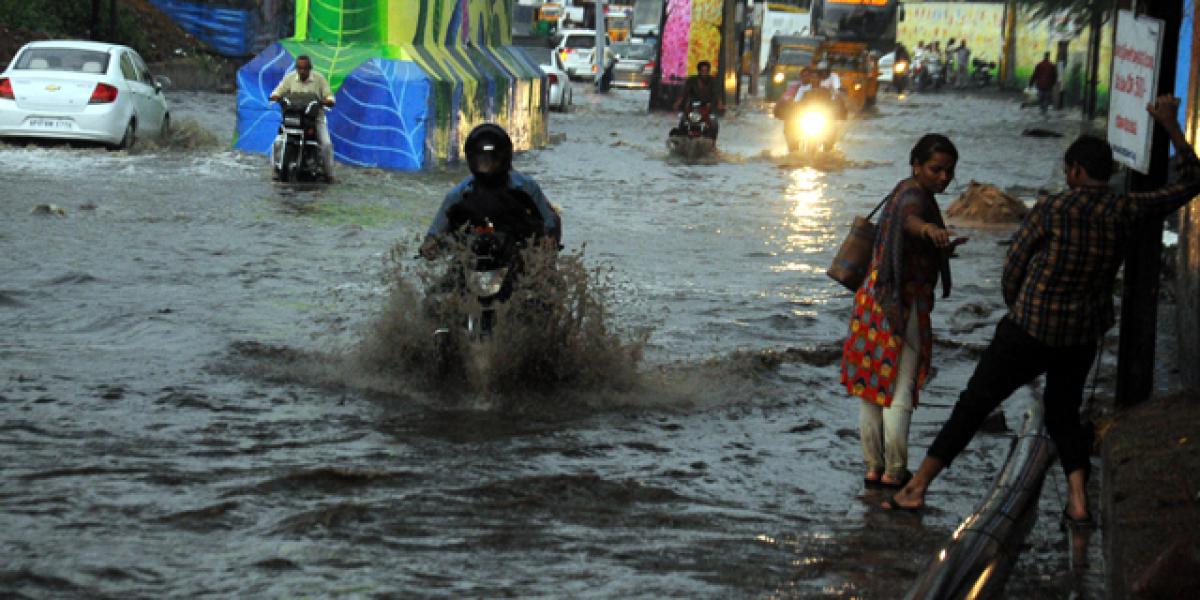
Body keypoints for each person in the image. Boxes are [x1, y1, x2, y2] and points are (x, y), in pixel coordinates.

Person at [882, 96, 1200, 526]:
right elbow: (1190, 183)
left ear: (1074, 172)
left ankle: (916, 487)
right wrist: (1171, 127)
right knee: (1064, 414)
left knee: (973, 405)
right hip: (1080, 336)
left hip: (1027, 329)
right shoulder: (1126, 209)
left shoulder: (1052, 208)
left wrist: (1019, 307)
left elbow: (1014, 265)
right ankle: (1079, 502)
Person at [842, 134, 965, 488]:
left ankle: (872, 467)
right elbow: (913, 222)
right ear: (916, 166)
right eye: (935, 169)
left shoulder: (901, 189)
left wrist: (936, 241)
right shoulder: (914, 197)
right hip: (900, 304)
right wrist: (930, 230)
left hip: (871, 299)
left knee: (870, 387)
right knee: (900, 389)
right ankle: (895, 471)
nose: (943, 177)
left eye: (949, 172)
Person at [420, 124, 561, 259]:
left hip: (517, 251)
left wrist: (548, 242)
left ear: (504, 158)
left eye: (493, 160)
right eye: (482, 161)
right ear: (471, 160)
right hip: (472, 252)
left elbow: (551, 221)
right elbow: (434, 235)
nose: (487, 166)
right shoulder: (458, 195)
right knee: (451, 276)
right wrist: (430, 247)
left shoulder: (526, 187)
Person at [269, 55, 336, 182]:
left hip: (314, 120)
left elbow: (330, 96)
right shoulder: (289, 78)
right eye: (299, 68)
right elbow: (277, 91)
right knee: (277, 143)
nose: (302, 71)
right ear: (296, 68)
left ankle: (330, 175)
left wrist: (326, 101)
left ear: (310, 68)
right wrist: (276, 97)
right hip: (293, 120)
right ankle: (275, 171)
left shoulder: (319, 79)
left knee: (326, 145)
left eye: (305, 68)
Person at [673, 60, 723, 139]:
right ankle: (682, 138)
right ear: (699, 71)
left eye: (706, 71)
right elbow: (684, 93)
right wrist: (678, 102)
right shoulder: (691, 80)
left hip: (708, 106)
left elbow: (717, 93)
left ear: (708, 71)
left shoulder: (713, 81)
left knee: (714, 123)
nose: (704, 73)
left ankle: (712, 142)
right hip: (693, 106)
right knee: (683, 120)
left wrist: (719, 103)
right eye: (702, 71)